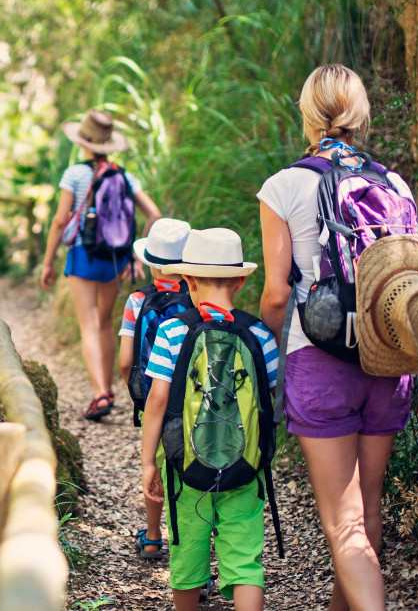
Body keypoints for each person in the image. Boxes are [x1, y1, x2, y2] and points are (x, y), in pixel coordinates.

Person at [257, 64, 415, 611]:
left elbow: (277, 293)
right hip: (390, 357)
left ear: (307, 113)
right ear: (360, 112)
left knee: (342, 523)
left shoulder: (283, 186)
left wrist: (266, 355)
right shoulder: (392, 184)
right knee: (366, 510)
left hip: (320, 359)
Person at [139, 228, 278, 611]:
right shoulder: (260, 334)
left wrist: (148, 461)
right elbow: (272, 403)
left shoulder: (173, 330)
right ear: (241, 279)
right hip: (245, 466)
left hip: (186, 466)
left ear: (188, 278)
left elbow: (157, 400)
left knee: (187, 555)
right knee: (245, 562)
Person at [41, 109, 162, 421]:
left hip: (83, 255)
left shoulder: (75, 175)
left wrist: (47, 263)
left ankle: (101, 394)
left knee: (88, 325)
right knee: (106, 322)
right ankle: (108, 386)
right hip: (115, 257)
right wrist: (137, 257)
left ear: (83, 142)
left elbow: (59, 221)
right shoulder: (124, 175)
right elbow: (155, 215)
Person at [117, 218, 193, 559]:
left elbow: (124, 359)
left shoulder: (137, 301)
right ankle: (195, 555)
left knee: (156, 467)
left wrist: (139, 392)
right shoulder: (200, 298)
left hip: (155, 402)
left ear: (151, 265)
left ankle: (151, 536)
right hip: (195, 402)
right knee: (193, 472)